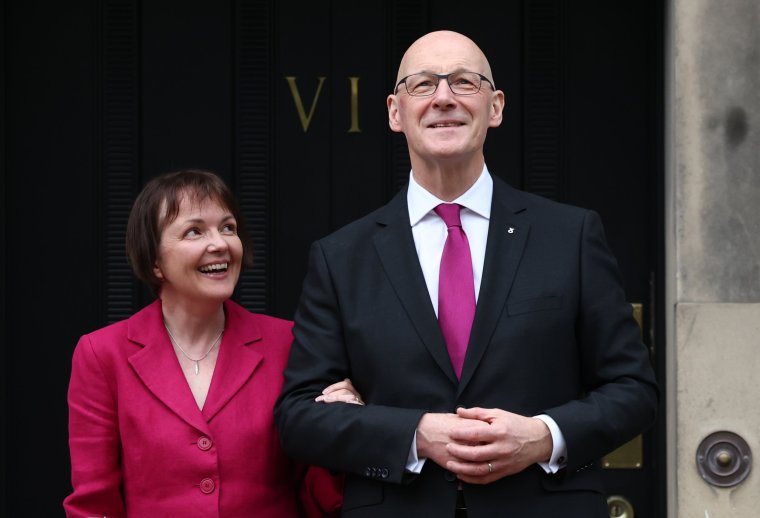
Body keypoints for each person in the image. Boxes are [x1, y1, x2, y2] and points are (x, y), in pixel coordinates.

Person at [275, 31, 658, 517]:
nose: (443, 98)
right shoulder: (341, 256)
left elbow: (634, 390)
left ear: (495, 107)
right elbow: (298, 417)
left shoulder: (570, 235)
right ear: (396, 112)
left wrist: (541, 437)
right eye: (422, 85)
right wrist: (414, 433)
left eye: (463, 82)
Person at [64, 170, 360, 517]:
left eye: (228, 227)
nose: (220, 243)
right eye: (194, 231)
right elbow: (94, 504)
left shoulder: (288, 342)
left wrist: (342, 433)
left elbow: (318, 495)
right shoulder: (103, 354)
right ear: (155, 261)